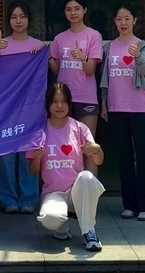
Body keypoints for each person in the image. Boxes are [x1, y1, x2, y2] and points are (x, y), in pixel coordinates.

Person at [27, 82, 105, 252]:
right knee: (50, 218)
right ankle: (60, 228)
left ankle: (89, 232)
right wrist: (37, 157)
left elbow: (98, 161)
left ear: (70, 103)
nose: (59, 106)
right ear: (48, 104)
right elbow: (32, 171)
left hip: (77, 191)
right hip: (53, 193)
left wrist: (97, 150)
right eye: (55, 101)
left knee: (87, 177)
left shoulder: (79, 128)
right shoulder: (39, 131)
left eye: (64, 101)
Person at [99, 5, 145, 221]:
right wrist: (104, 104)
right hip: (116, 109)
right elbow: (105, 79)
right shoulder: (109, 47)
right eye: (119, 19)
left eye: (127, 18)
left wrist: (138, 56)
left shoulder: (144, 46)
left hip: (141, 110)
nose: (123, 23)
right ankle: (129, 205)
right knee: (124, 159)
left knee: (143, 158)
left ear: (135, 20)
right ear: (114, 21)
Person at [0, 0, 44, 214]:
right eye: (14, 17)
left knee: (28, 153)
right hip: (5, 108)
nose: (18, 21)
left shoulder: (38, 45)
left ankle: (29, 199)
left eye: (22, 16)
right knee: (5, 154)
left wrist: (40, 55)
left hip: (30, 108)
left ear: (29, 19)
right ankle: (8, 199)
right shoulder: (2, 44)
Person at [49, 0, 103, 176]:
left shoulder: (93, 35)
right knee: (67, 149)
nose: (73, 13)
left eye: (77, 8)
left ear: (84, 10)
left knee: (88, 148)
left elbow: (90, 70)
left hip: (86, 98)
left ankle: (90, 190)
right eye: (69, 9)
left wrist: (82, 57)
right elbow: (58, 71)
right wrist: (47, 57)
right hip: (63, 100)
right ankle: (69, 188)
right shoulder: (59, 38)